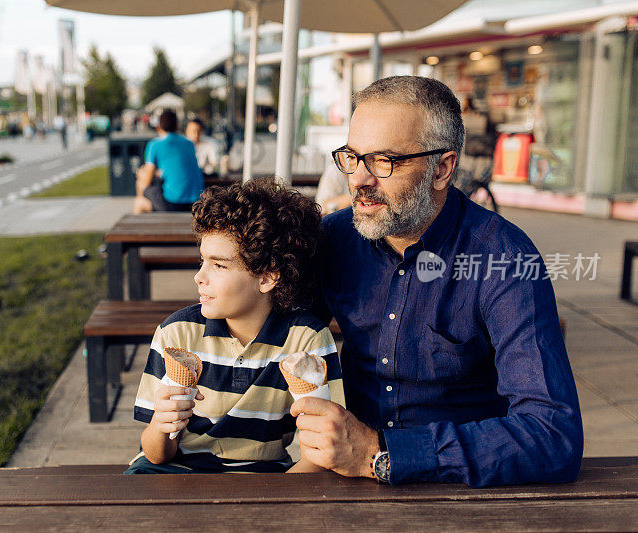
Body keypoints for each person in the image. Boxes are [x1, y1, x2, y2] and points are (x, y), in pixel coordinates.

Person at [293, 76, 582, 487]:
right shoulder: (334, 240)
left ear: (442, 168)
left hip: (461, 491)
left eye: (383, 161)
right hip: (347, 480)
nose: (357, 179)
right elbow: (277, 337)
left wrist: (382, 453)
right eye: (352, 157)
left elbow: (554, 434)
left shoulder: (504, 259)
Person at [125, 178, 345, 474]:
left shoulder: (306, 342)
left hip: (263, 477)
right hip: (177, 470)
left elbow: (319, 455)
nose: (199, 277)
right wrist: (162, 424)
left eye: (219, 265)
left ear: (267, 277)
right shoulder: (176, 333)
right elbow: (155, 454)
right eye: (202, 260)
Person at [133, 110, 204, 214]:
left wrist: (141, 173)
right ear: (177, 126)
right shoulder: (189, 143)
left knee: (139, 201)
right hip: (195, 201)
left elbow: (147, 180)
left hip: (173, 203)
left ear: (159, 127)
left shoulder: (154, 145)